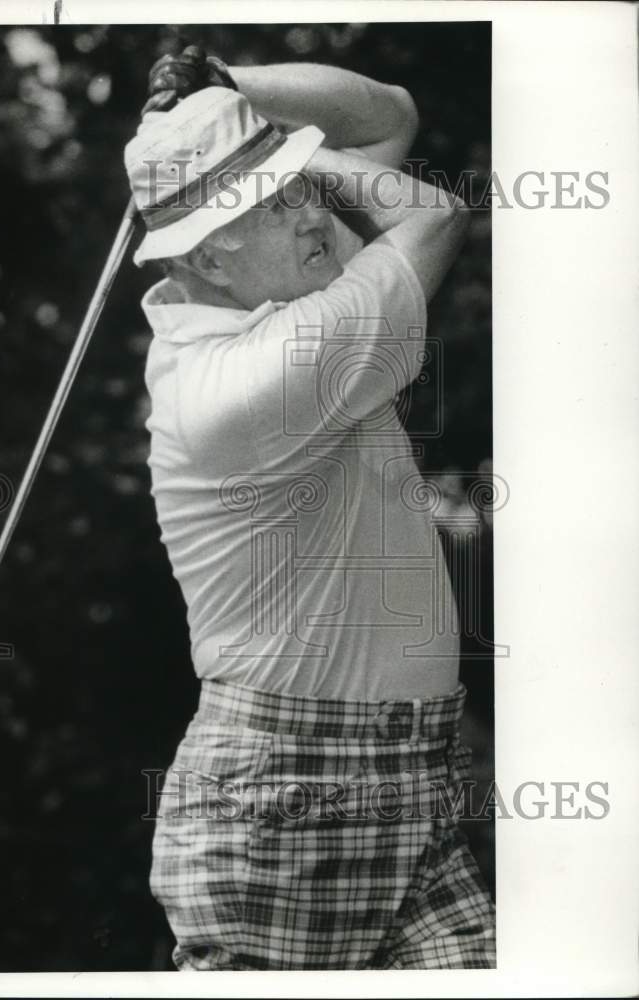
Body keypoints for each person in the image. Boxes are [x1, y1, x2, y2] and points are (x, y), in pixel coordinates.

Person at [125, 49, 495, 971]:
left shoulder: (275, 295)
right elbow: (432, 210)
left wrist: (228, 88)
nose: (313, 211)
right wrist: (289, 151)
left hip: (412, 774)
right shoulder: (249, 380)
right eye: (278, 200)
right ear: (209, 252)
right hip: (283, 796)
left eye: (306, 191)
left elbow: (385, 113)